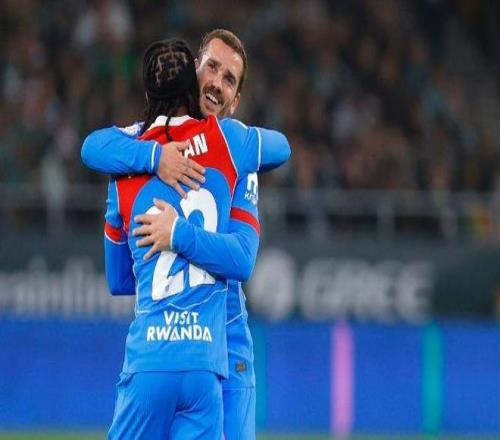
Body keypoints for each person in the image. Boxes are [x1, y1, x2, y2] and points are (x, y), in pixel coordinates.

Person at [81, 29, 291, 439]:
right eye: (212, 67)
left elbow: (242, 259)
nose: (217, 83)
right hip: (197, 354)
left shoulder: (237, 162)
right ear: (193, 69)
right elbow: (93, 146)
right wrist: (155, 156)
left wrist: (177, 233)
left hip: (228, 342)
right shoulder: (152, 145)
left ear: (235, 101)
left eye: (229, 79)